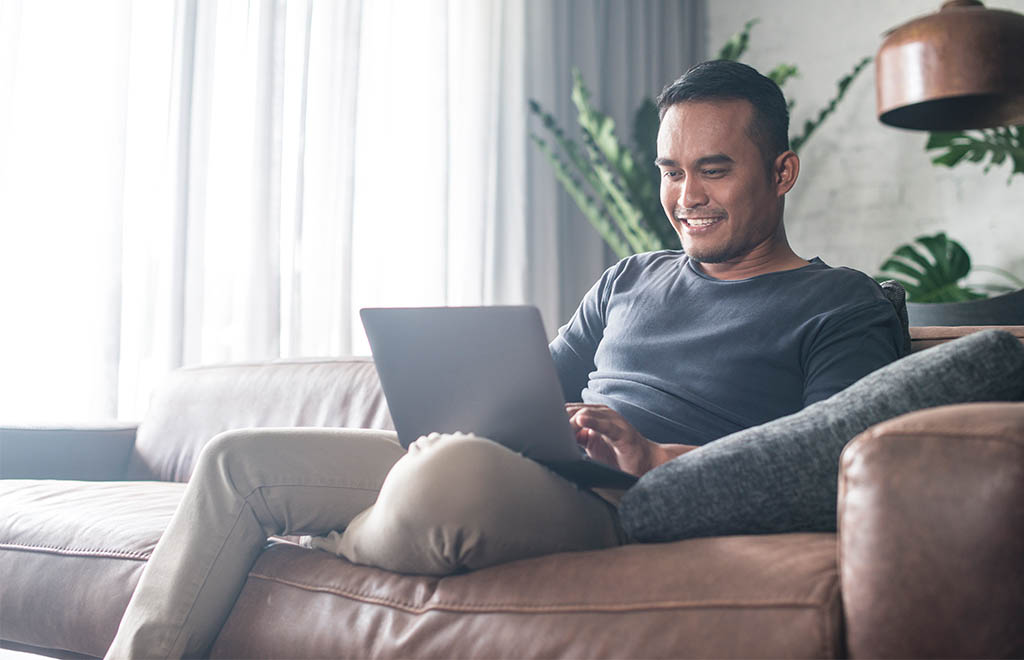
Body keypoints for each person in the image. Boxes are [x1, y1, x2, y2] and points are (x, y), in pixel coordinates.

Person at [105, 60, 903, 659]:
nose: (685, 195)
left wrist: (655, 455)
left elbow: (826, 469)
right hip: (524, 468)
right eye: (670, 170)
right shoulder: (631, 277)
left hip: (631, 503)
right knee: (237, 462)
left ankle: (331, 534)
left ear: (782, 171)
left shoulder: (842, 305)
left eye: (714, 169)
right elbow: (526, 392)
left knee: (444, 477)